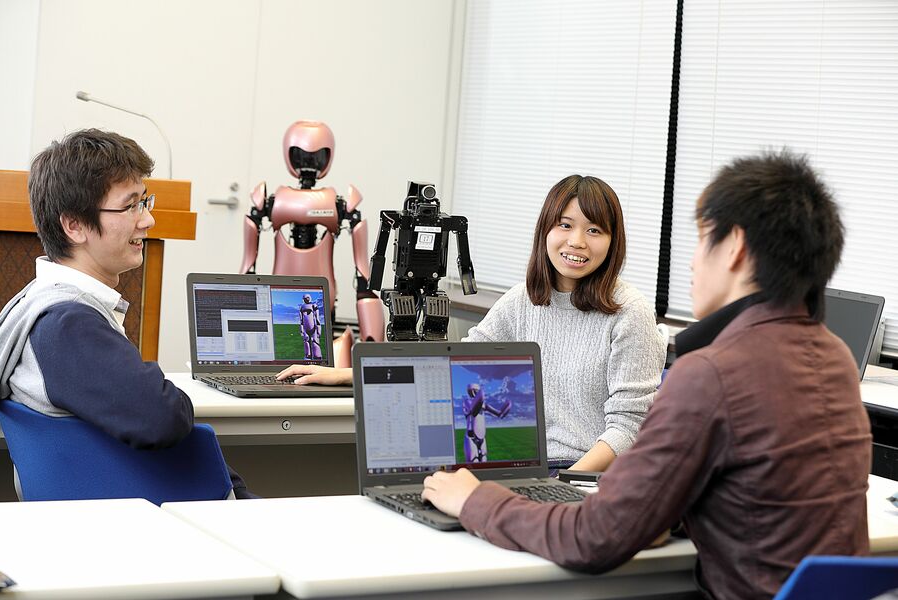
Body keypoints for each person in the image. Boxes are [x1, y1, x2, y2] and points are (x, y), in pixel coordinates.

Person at [419, 150, 872, 599]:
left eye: (701, 240)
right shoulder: (834, 357)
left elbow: (595, 537)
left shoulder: (711, 373)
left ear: (733, 247)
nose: (692, 263)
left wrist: (475, 501)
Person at [278, 175, 667, 472]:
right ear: (545, 231)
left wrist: (560, 485)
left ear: (612, 241)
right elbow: (456, 361)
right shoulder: (524, 300)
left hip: (582, 477)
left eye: (594, 230)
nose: (577, 241)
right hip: (515, 467)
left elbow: (628, 429)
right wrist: (347, 374)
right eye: (565, 225)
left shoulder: (629, 313)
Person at [0, 129, 255, 498]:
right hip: (167, 516)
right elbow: (163, 417)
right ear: (74, 225)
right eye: (130, 205)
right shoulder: (68, 325)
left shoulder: (37, 305)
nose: (147, 220)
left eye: (144, 201)